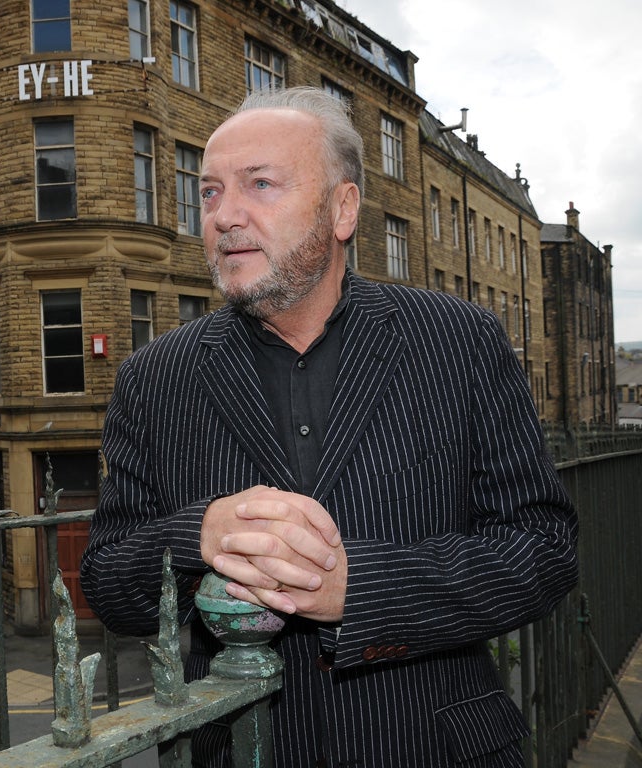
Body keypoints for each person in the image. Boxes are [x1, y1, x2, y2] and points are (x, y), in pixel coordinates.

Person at [80, 86, 578, 767]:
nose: (226, 216)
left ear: (343, 209)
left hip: (433, 748)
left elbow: (543, 549)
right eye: (210, 192)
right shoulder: (152, 377)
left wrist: (359, 592)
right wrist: (197, 535)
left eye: (260, 184)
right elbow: (109, 582)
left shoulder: (460, 340)